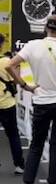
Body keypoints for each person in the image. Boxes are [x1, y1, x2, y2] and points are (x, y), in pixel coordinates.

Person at [8, 15, 56, 184]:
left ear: (46, 28)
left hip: (41, 101)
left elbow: (11, 65)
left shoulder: (32, 46)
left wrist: (24, 85)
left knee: (36, 145)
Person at [0, 36, 24, 175]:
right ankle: (19, 165)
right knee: (13, 134)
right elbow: (16, 80)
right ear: (1, 45)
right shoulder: (6, 62)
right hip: (7, 103)